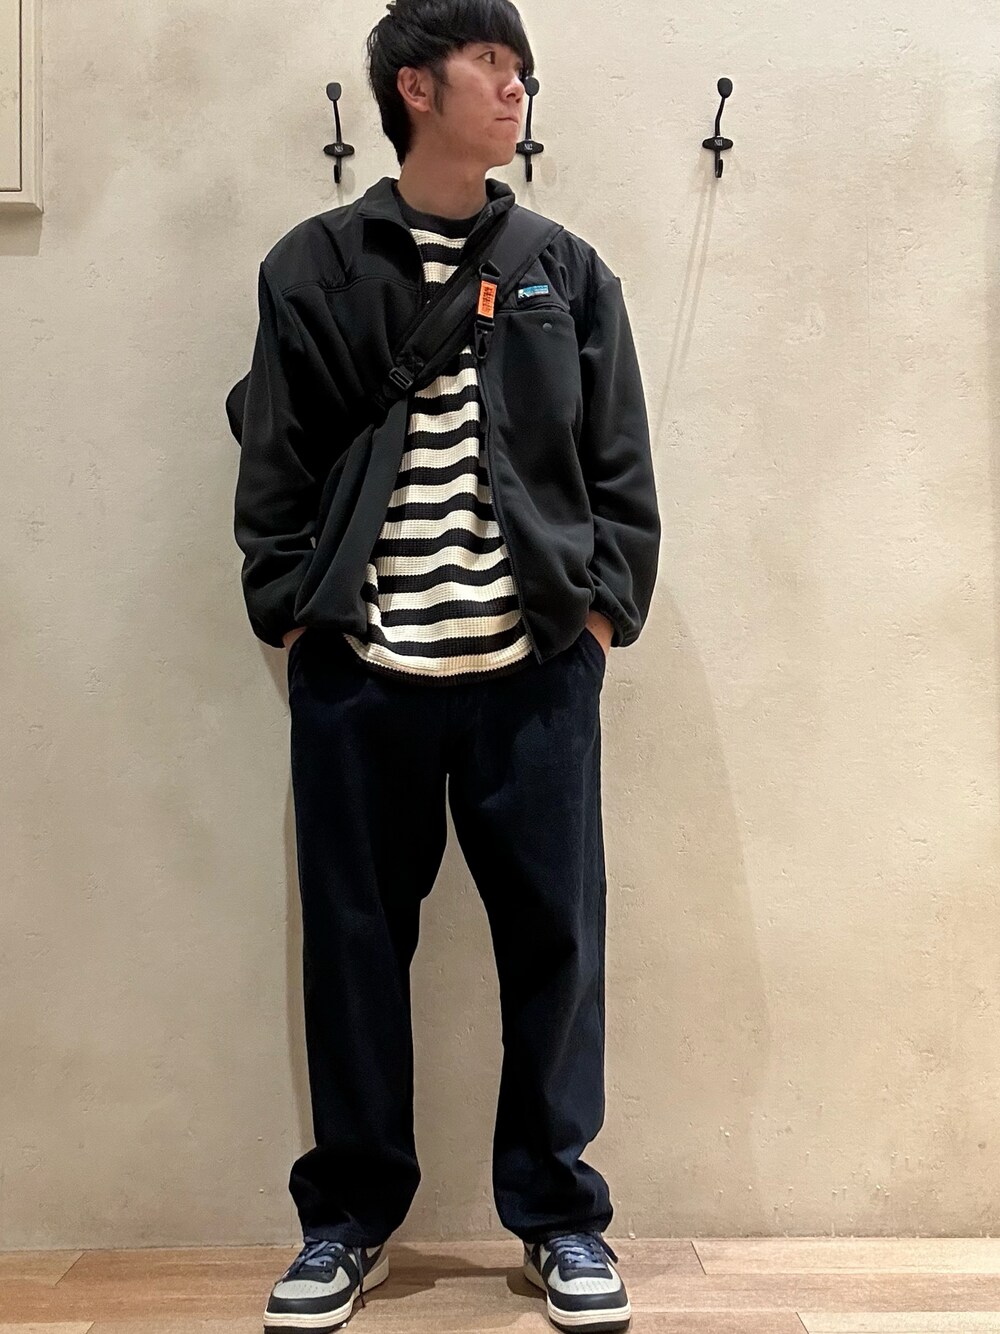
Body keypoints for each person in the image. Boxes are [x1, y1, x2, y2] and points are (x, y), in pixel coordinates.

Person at [231, 1, 660, 1330]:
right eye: (492, 63)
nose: (517, 87)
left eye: (523, 69)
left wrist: (597, 622)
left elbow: (619, 465)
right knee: (356, 949)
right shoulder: (313, 266)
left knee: (556, 946)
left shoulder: (564, 270)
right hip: (363, 677)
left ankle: (560, 1217)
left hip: (532, 672)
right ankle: (347, 1220)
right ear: (415, 87)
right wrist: (295, 617)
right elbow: (276, 464)